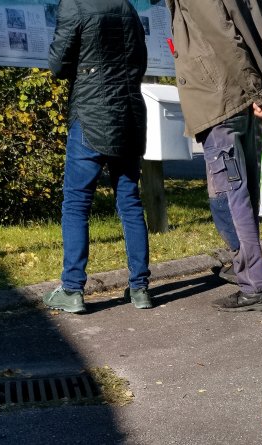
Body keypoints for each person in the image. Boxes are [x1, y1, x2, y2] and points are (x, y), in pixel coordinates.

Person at [166, 0, 262, 311]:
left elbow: (223, 35)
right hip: (234, 96)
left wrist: (258, 90)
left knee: (229, 197)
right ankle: (246, 269)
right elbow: (251, 32)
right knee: (240, 192)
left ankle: (254, 283)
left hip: (220, 98)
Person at [43, 0, 152, 314]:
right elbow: (138, 61)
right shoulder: (127, 7)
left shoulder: (74, 5)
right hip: (128, 114)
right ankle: (140, 288)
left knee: (76, 202)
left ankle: (72, 289)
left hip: (90, 115)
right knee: (130, 200)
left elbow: (57, 65)